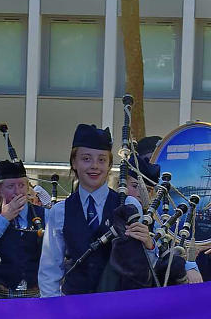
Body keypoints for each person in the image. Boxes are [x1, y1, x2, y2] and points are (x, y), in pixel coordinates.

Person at [38, 124, 154, 296]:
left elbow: (141, 264)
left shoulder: (128, 205)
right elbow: (50, 270)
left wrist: (149, 245)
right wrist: (54, 309)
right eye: (86, 159)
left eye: (102, 160)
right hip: (74, 305)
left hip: (116, 304)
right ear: (74, 162)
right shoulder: (60, 211)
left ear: (109, 165)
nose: (94, 166)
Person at [0, 152, 45, 299]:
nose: (17, 192)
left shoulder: (44, 215)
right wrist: (4, 218)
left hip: (36, 294)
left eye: (21, 185)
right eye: (11, 186)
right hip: (0, 295)